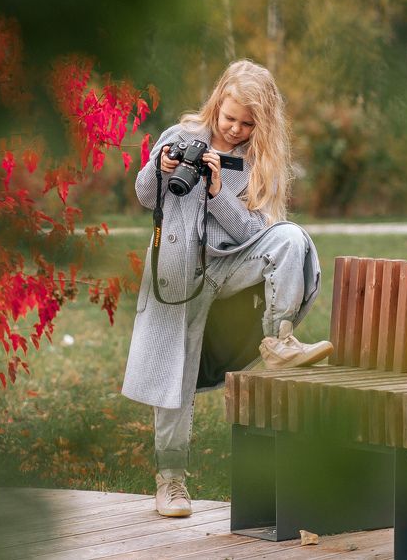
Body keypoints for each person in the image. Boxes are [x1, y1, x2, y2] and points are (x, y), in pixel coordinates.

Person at [122, 59, 332, 518]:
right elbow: (143, 197)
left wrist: (218, 193)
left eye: (247, 123)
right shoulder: (179, 137)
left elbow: (252, 233)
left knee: (291, 237)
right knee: (172, 379)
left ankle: (279, 339)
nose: (235, 129)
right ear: (217, 104)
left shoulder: (261, 161)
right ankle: (171, 482)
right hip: (175, 274)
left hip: (227, 267)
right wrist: (159, 167)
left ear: (263, 123)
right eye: (229, 118)